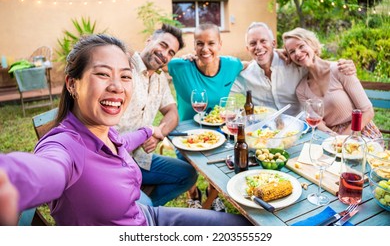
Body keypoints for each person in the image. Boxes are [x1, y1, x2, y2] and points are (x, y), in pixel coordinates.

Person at [0, 34, 251, 226]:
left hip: (146, 216)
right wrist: (11, 179)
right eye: (102, 74)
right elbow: (45, 170)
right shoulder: (65, 146)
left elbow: (123, 139)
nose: (117, 87)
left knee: (243, 225)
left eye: (125, 77)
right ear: (72, 84)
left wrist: (149, 131)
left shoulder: (104, 131)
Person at [116, 24, 197, 207]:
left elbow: (172, 112)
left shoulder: (159, 78)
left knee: (188, 174)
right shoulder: (124, 69)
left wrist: (159, 132)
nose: (164, 54)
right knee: (146, 208)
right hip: (114, 162)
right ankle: (142, 212)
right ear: (149, 40)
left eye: (171, 52)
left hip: (141, 158)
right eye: (162, 45)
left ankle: (144, 210)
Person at [168, 23, 244, 211]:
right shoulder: (179, 66)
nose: (205, 49)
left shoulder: (232, 65)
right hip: (184, 130)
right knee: (186, 170)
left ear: (220, 44)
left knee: (219, 164)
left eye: (211, 43)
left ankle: (213, 196)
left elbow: (255, 62)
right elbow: (153, 64)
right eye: (199, 43)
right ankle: (193, 194)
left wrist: (282, 54)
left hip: (217, 127)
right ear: (193, 46)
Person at [230, 22, 356, 116]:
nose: (258, 47)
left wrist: (339, 65)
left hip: (300, 130)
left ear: (273, 43)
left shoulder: (294, 64)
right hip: (265, 135)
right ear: (247, 49)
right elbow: (220, 79)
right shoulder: (244, 76)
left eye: (263, 41)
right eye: (253, 43)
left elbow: (317, 64)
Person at [282, 27, 382, 138]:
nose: (298, 53)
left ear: (312, 45)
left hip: (360, 131)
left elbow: (368, 111)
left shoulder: (341, 69)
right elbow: (317, 122)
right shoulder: (301, 90)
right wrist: (334, 138)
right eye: (292, 52)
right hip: (331, 137)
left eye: (301, 46)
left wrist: (344, 138)